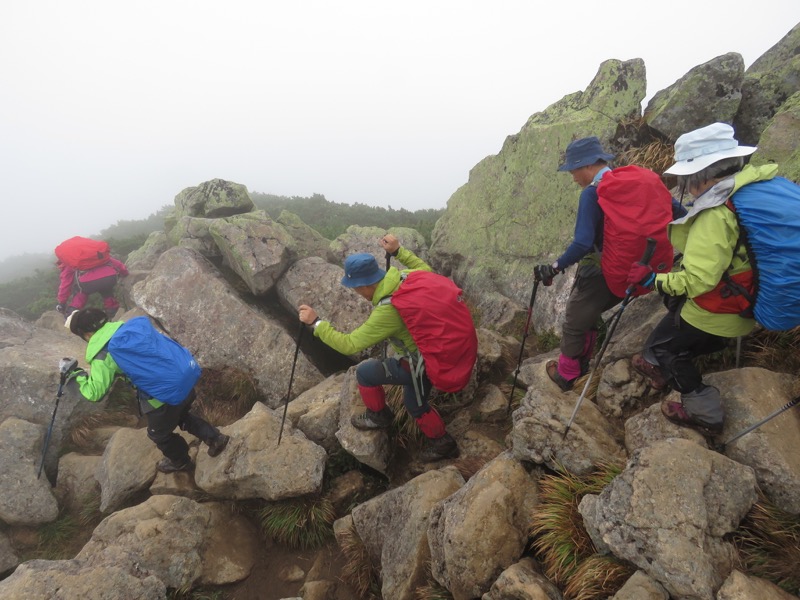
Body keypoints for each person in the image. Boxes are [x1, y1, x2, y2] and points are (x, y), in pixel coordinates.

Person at [627, 122, 766, 435]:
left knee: (660, 349)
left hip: (721, 312)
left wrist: (654, 280)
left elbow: (699, 280)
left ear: (704, 173)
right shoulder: (747, 190)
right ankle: (679, 364)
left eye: (689, 179)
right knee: (670, 326)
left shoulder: (715, 214)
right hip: (749, 300)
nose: (688, 188)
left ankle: (705, 413)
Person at [297, 234, 459, 462]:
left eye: (355, 288)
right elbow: (426, 270)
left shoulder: (387, 311)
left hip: (418, 365)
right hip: (435, 352)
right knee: (415, 404)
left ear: (364, 285)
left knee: (365, 372)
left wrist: (316, 323)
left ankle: (379, 415)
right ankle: (443, 442)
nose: (357, 293)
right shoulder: (405, 277)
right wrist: (398, 251)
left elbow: (349, 344)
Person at [64, 308, 230, 473]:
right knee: (182, 415)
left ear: (84, 334)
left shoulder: (104, 353)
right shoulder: (130, 328)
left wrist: (76, 375)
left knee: (158, 435)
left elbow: (95, 392)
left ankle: (180, 462)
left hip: (161, 397)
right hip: (183, 380)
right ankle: (215, 438)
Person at [533, 136, 620, 391]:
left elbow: (583, 243)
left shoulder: (593, 193)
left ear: (587, 165)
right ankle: (582, 363)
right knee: (588, 314)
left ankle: (568, 375)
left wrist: (555, 267)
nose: (573, 177)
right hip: (636, 263)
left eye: (573, 170)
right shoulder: (626, 182)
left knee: (574, 318)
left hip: (601, 266)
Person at [57, 255, 129, 320]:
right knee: (106, 289)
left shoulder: (71, 261)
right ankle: (112, 312)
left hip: (88, 283)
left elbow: (65, 284)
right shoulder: (96, 253)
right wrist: (124, 273)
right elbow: (117, 264)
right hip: (110, 278)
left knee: (80, 291)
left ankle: (72, 313)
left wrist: (62, 302)